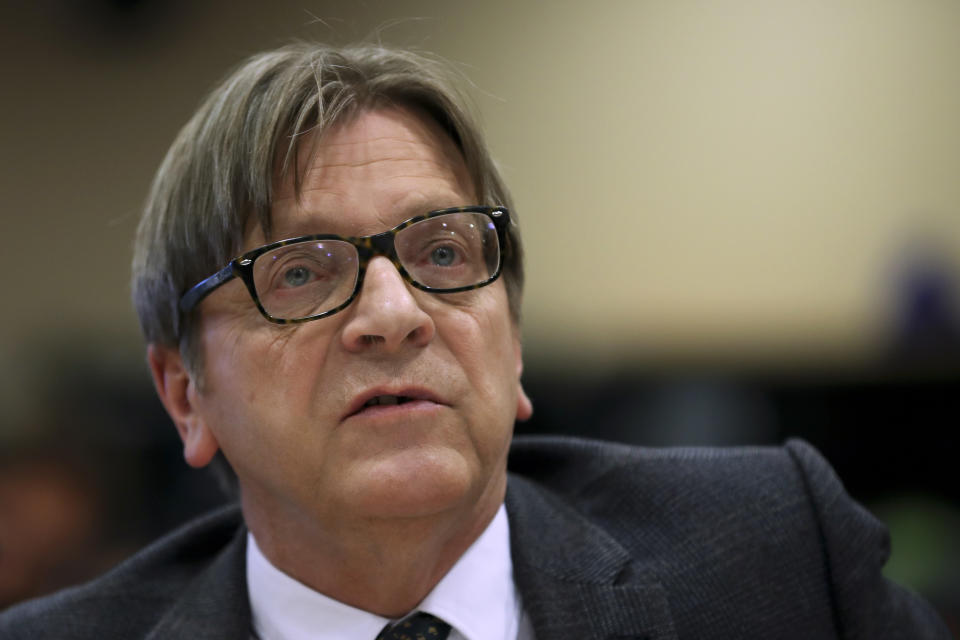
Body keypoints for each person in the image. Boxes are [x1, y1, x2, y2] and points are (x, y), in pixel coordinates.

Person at [0, 42, 950, 640]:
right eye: (299, 270)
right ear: (184, 396)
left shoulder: (775, 553)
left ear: (516, 346)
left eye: (445, 252)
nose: (394, 312)